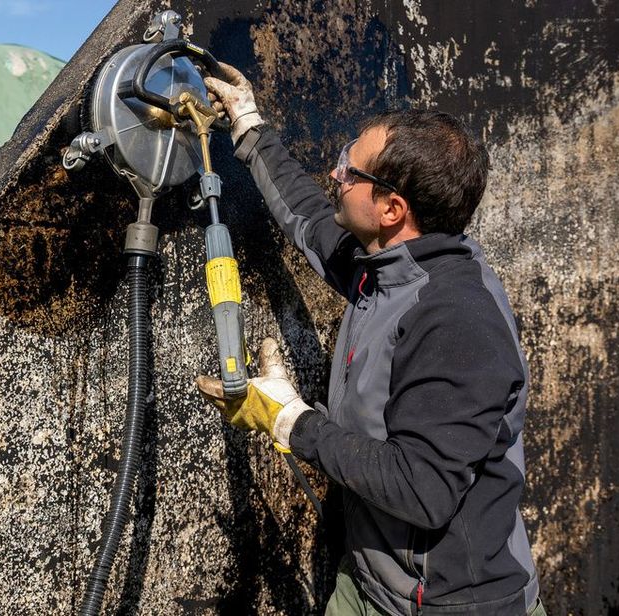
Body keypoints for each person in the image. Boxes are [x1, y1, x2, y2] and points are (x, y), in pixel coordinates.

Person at [192, 61, 546, 616]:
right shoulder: (381, 266)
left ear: (392, 209)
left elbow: (423, 490)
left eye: (349, 171)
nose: (335, 176)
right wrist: (248, 125)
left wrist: (293, 423)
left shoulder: (457, 320)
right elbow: (308, 218)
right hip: (369, 581)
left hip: (448, 605)